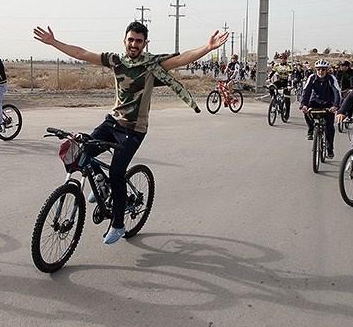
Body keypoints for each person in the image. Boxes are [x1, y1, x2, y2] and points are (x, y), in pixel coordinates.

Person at [33, 21, 228, 245]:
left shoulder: (151, 65)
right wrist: (54, 42)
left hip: (134, 129)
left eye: (139, 41)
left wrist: (207, 47)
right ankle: (101, 184)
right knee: (84, 149)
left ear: (145, 44)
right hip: (112, 121)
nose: (134, 44)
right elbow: (82, 53)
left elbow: (182, 58)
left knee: (117, 173)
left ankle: (118, 223)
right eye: (131, 40)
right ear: (124, 41)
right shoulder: (116, 61)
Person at [299, 59, 341, 158]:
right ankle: (310, 128)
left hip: (328, 103)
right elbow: (306, 91)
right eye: (318, 70)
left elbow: (337, 92)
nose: (320, 72)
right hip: (315, 102)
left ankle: (330, 148)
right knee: (306, 111)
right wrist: (303, 105)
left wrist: (335, 105)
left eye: (323, 69)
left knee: (329, 127)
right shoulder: (312, 78)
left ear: (327, 70)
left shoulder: (331, 78)